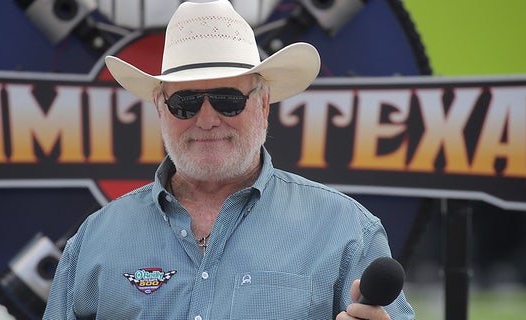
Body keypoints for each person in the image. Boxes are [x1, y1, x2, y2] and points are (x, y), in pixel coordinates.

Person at [43, 1, 415, 319]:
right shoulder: (94, 239)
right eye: (185, 103)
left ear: (264, 103)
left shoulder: (347, 231)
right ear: (160, 107)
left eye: (227, 100)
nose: (207, 120)